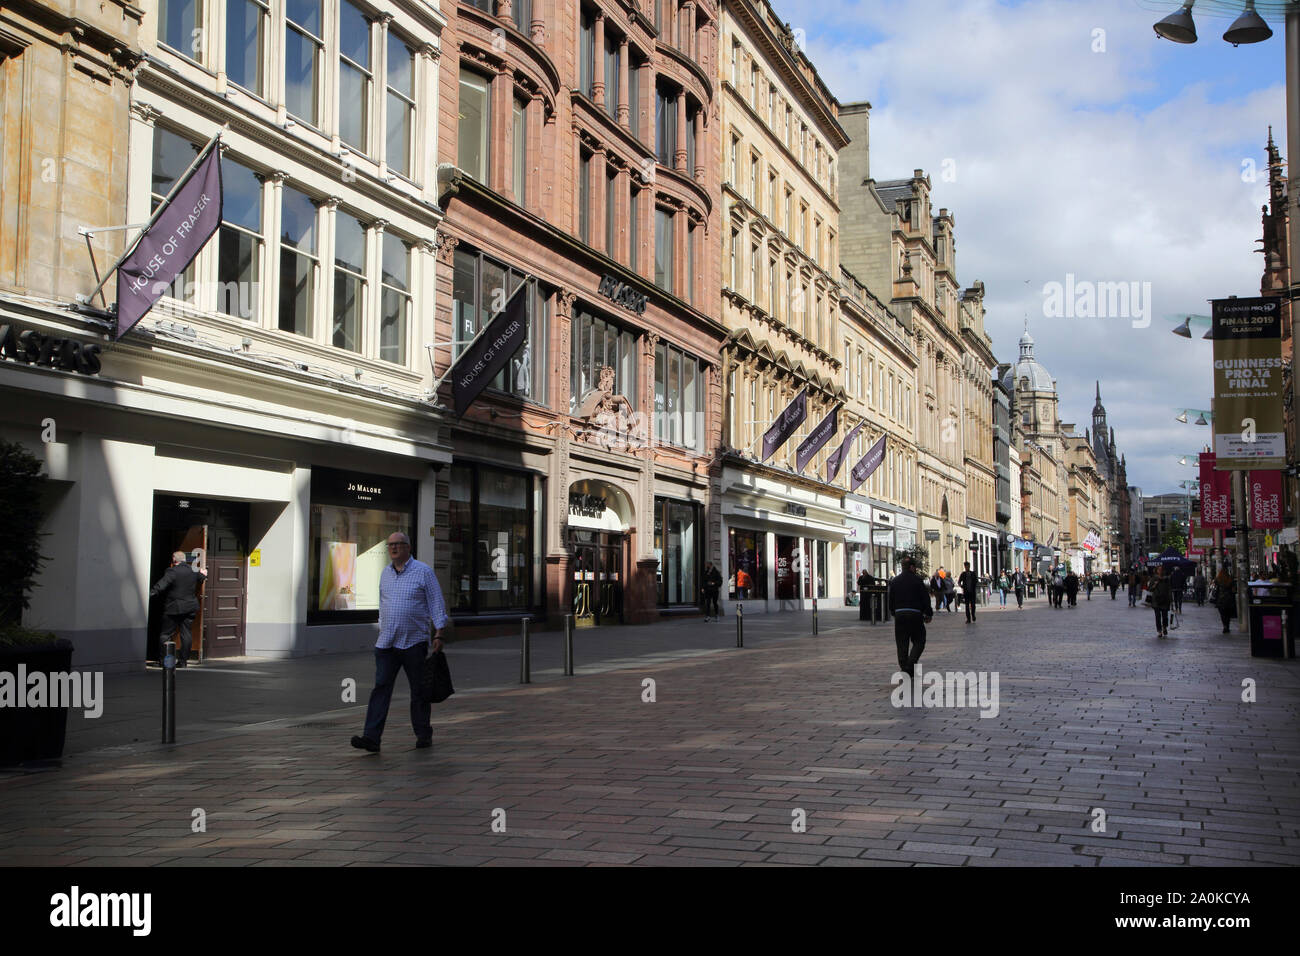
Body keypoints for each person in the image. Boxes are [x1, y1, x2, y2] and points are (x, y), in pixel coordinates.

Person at [352, 532, 448, 754]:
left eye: (398, 545)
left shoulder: (423, 572)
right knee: (381, 688)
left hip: (414, 642)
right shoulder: (385, 573)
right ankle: (371, 738)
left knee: (419, 690)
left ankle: (423, 734)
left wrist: (439, 634)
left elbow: (436, 603)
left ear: (408, 547)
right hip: (386, 643)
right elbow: (383, 606)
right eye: (390, 545)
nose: (393, 548)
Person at [150, 551, 206, 667]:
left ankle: (164, 661)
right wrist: (204, 574)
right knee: (186, 633)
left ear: (174, 560)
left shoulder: (172, 571)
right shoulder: (193, 570)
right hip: (190, 607)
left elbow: (162, 585)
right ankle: (183, 661)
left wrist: (151, 593)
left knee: (166, 634)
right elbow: (201, 577)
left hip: (174, 608)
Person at [888, 556, 933, 678]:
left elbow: (891, 599)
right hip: (915, 614)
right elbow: (925, 598)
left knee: (902, 642)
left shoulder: (895, 581)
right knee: (919, 641)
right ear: (912, 567)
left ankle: (905, 666)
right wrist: (928, 613)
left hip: (900, 614)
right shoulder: (917, 580)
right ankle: (910, 664)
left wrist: (893, 611)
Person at [1151, 564, 1173, 638]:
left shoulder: (1167, 579)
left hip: (1165, 599)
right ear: (1156, 571)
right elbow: (1150, 588)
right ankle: (1159, 631)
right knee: (1157, 616)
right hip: (1156, 600)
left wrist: (1171, 599)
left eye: (1161, 569)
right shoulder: (1154, 578)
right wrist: (1154, 585)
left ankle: (1164, 627)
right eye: (1159, 570)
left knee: (1164, 616)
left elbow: (1169, 589)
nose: (1160, 571)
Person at [1214, 566, 1236, 634]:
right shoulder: (1230, 579)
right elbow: (1233, 590)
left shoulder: (1218, 579)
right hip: (1229, 599)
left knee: (1222, 614)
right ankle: (1227, 626)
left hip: (1221, 599)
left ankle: (1225, 626)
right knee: (1228, 614)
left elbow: (1216, 588)